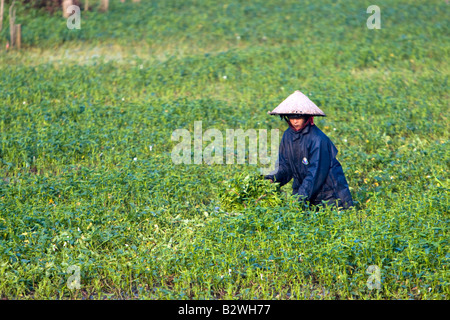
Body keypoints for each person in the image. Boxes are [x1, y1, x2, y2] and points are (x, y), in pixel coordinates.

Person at [264, 90, 354, 209]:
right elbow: (284, 166)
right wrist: (271, 179)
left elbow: (315, 174)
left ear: (307, 117)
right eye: (291, 117)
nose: (295, 121)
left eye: (299, 117)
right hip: (306, 192)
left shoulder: (318, 139)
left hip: (329, 197)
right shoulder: (288, 136)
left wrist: (299, 199)